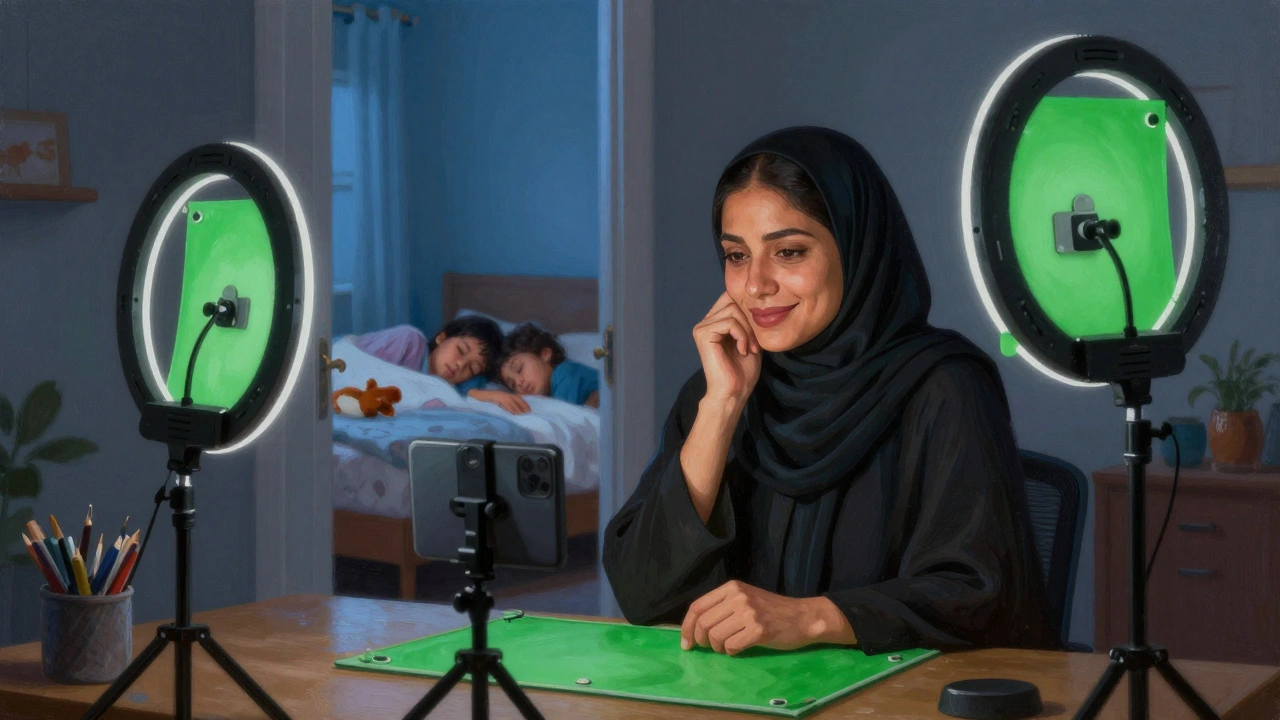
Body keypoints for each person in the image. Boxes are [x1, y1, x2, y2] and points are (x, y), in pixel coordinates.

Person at [602, 126, 1060, 658]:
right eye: (736, 255)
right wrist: (721, 408)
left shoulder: (943, 385)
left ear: (857, 247)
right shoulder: (720, 386)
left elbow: (981, 596)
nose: (755, 285)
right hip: (745, 702)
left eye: (789, 252)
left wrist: (811, 618)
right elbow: (640, 591)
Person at [494, 323, 601, 409]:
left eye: (519, 369)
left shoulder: (565, 373)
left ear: (544, 354)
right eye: (512, 385)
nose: (518, 382)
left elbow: (564, 415)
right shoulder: (553, 389)